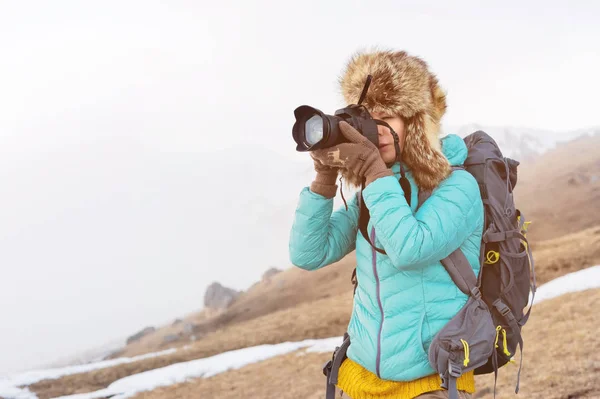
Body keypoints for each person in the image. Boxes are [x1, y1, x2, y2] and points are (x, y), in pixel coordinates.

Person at [289, 49, 484, 399]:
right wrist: (323, 178)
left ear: (417, 123)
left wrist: (373, 172)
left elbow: (410, 249)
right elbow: (308, 253)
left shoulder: (459, 187)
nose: (376, 131)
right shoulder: (375, 194)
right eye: (368, 118)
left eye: (388, 116)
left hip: (430, 378)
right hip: (360, 377)